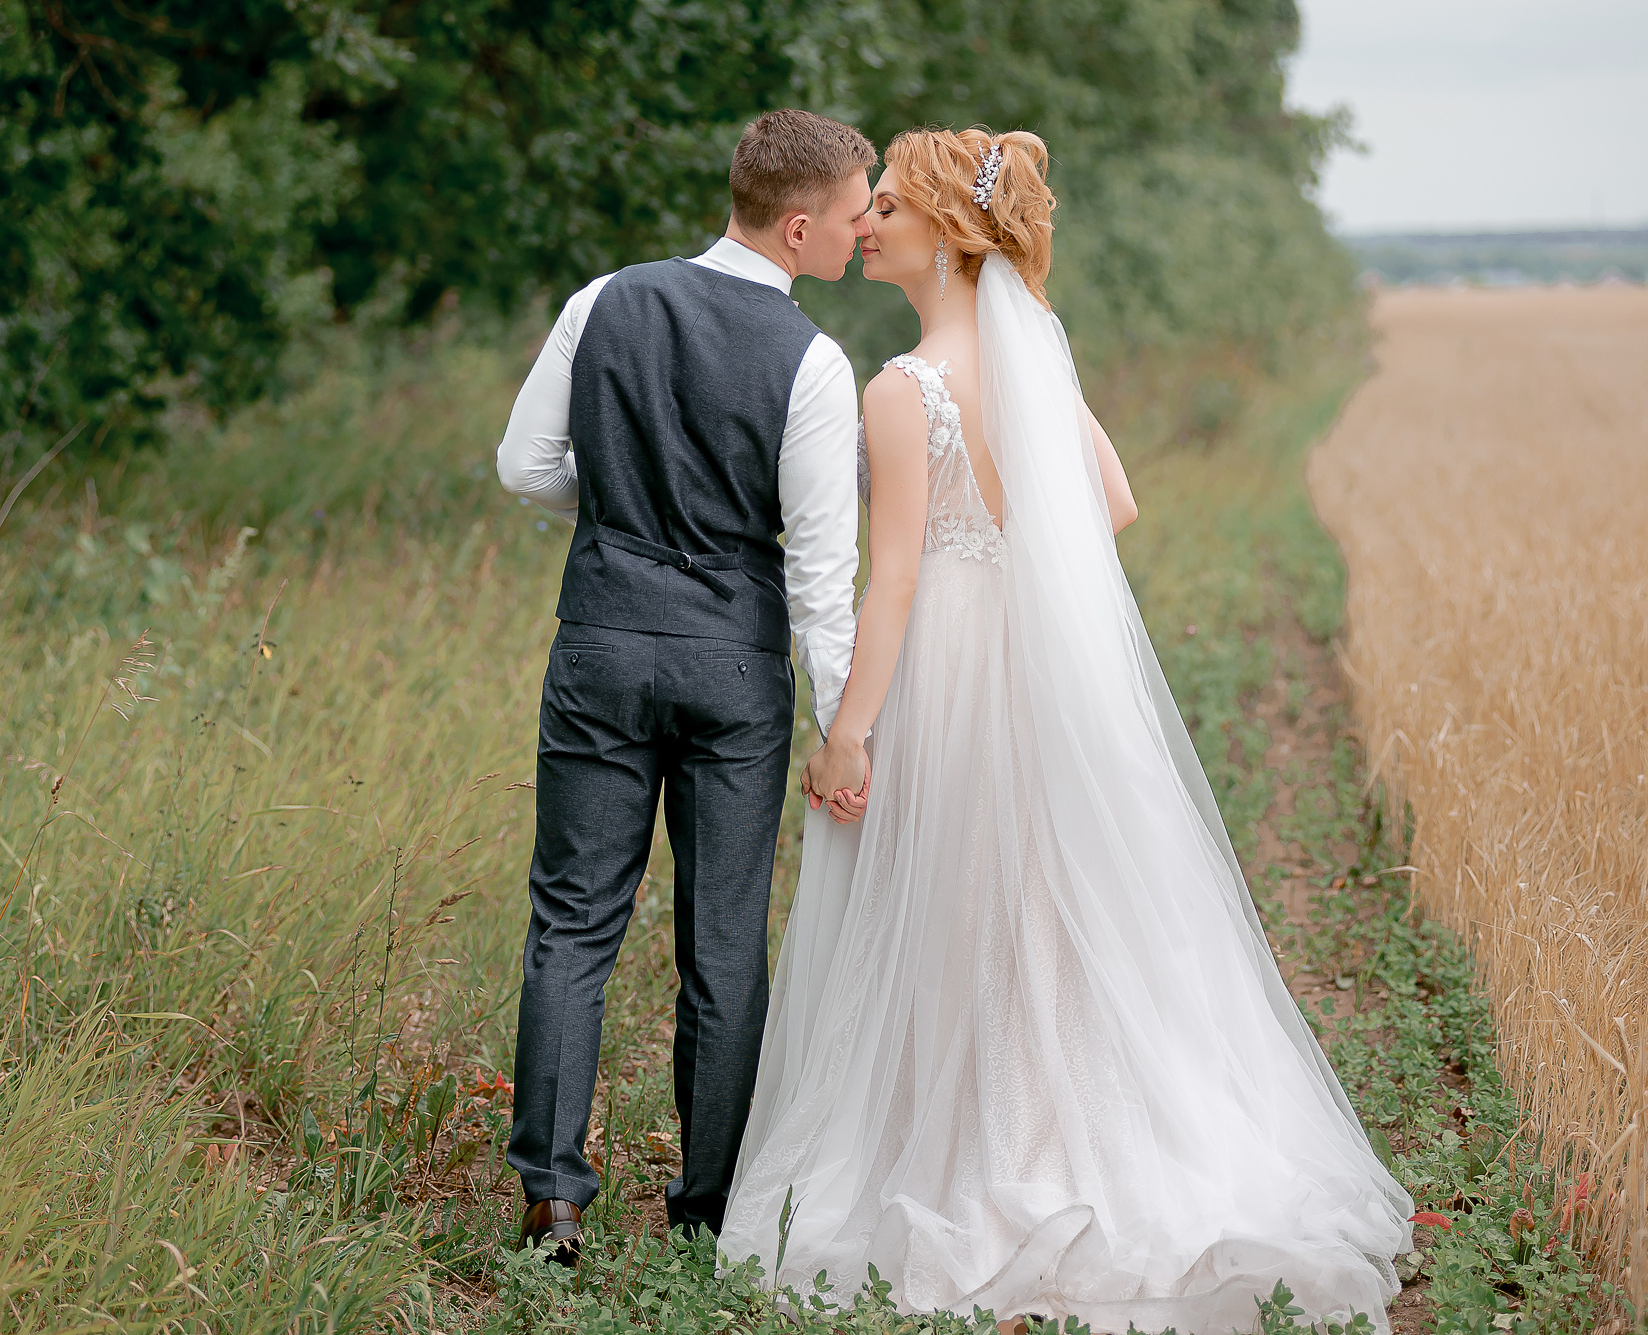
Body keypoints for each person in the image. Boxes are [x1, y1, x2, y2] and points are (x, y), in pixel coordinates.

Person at [719, 126, 1415, 1334]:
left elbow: (892, 583)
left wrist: (846, 733)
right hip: (1038, 669)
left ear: (948, 235)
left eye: (889, 208)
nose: (867, 224)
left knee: (958, 911)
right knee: (1042, 904)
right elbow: (1116, 503)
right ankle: (1060, 1142)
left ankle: (983, 1157)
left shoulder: (901, 389)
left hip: (948, 677)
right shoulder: (1031, 356)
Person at [494, 109, 878, 1261]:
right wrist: (842, 726)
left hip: (603, 645)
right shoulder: (812, 363)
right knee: (721, 943)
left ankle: (551, 1201)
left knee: (571, 921)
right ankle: (707, 1211)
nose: (862, 232)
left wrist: (621, 514)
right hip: (731, 670)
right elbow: (819, 574)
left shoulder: (600, 301)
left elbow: (524, 466)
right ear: (797, 225)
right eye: (852, 215)